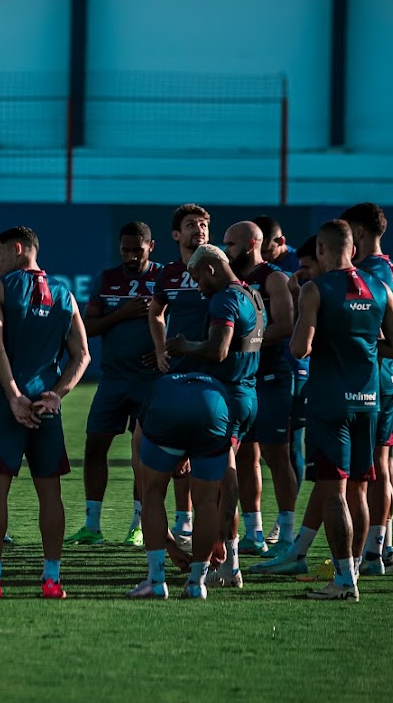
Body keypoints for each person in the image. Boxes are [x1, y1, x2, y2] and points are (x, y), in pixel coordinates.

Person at [273, 220, 393, 601]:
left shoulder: (315, 288)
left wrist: (302, 305)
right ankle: (354, 574)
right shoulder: (380, 288)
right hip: (369, 402)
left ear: (321, 251)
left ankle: (344, 582)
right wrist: (360, 345)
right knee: (360, 493)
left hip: (330, 402)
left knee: (333, 494)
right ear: (352, 246)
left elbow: (300, 349)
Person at [0, 226, 89, 599]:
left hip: (8, 405)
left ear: (18, 250)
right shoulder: (65, 294)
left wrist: (14, 396)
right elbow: (82, 354)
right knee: (51, 495)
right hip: (45, 407)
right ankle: (52, 581)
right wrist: (56, 395)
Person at [166, 244, 265, 591]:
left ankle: (227, 562)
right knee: (227, 474)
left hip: (230, 396)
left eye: (197, 278)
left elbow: (217, 350)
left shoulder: (224, 299)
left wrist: (183, 346)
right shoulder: (253, 294)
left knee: (221, 481)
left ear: (210, 269)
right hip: (249, 392)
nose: (197, 287)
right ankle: (230, 560)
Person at [74, 221, 162, 548]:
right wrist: (122, 314)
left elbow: (182, 319)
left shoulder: (164, 277)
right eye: (124, 249)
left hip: (150, 382)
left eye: (136, 250)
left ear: (151, 247)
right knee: (94, 447)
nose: (129, 256)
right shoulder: (107, 279)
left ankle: (138, 525)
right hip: (112, 380)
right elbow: (89, 326)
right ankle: (92, 526)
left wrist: (165, 350)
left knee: (144, 455)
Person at [341, 202, 393, 576]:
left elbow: (379, 332)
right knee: (384, 465)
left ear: (358, 231)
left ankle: (372, 553)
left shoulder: (368, 272)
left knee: (370, 470)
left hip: (376, 380)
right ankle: (383, 548)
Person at [126, 372, 233, 600]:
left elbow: (145, 491)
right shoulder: (222, 394)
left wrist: (169, 547)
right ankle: (197, 584)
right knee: (206, 501)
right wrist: (219, 537)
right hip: (214, 404)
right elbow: (231, 486)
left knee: (153, 491)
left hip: (170, 405)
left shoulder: (155, 397)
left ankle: (156, 581)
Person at [222, 220, 294, 557]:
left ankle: (288, 535)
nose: (226, 250)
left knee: (277, 455)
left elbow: (285, 325)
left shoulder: (274, 278)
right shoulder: (233, 281)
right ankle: (254, 532)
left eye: (231, 244)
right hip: (243, 381)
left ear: (251, 244)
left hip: (272, 378)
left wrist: (245, 342)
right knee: (246, 456)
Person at [148, 203, 210, 541]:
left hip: (216, 373)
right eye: (190, 224)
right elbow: (156, 312)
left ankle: (230, 530)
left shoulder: (221, 270)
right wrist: (161, 349)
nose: (198, 229)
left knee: (214, 455)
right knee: (175, 451)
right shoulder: (170, 273)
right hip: (177, 372)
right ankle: (184, 520)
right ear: (176, 234)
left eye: (203, 224)